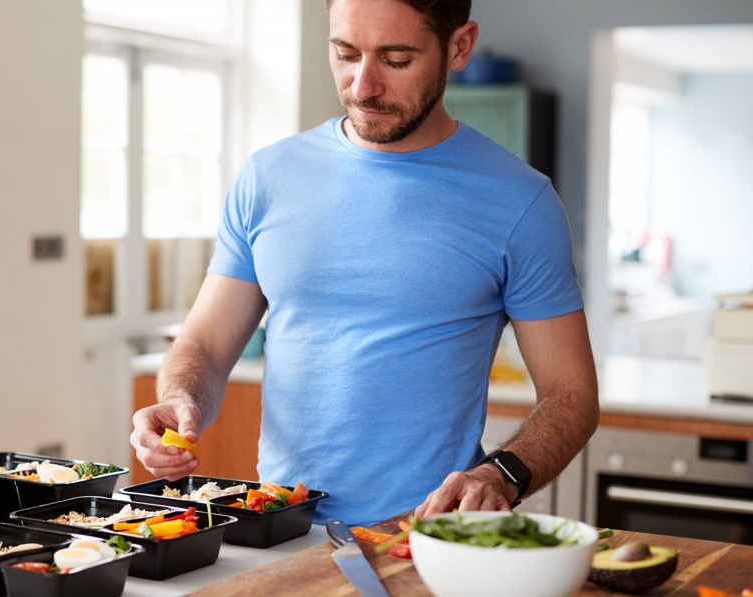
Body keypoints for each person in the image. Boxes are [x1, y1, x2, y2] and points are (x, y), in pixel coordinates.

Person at [130, 0, 598, 526]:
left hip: (427, 534)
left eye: (396, 60)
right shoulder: (269, 177)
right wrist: (178, 398)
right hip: (280, 525)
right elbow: (206, 346)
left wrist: (502, 474)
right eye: (345, 53)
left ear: (459, 46)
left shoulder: (520, 202)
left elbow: (571, 394)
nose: (363, 85)